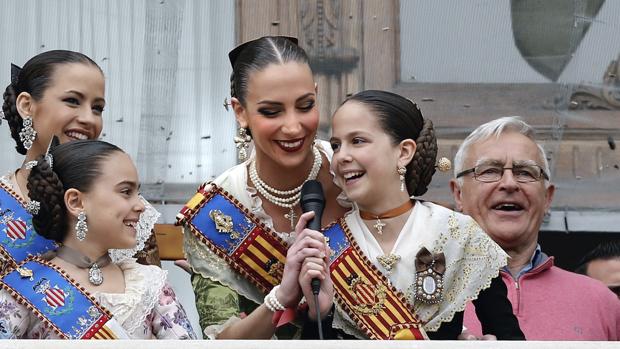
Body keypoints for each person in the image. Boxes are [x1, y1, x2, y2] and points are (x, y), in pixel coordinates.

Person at [299, 90, 524, 340]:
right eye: (336, 145)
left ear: (404, 152)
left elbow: (509, 336)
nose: (341, 156)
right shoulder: (325, 246)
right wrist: (318, 314)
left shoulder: (457, 233)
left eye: (358, 141)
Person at [177, 36, 348, 339]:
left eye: (305, 105)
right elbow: (222, 339)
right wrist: (282, 297)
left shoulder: (351, 172)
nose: (294, 127)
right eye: (272, 111)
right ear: (240, 112)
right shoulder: (217, 211)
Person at [0, 140, 196, 339]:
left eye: (138, 193)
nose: (141, 206)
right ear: (76, 202)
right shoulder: (28, 288)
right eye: (126, 192)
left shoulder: (150, 284)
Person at [450, 116, 620, 340]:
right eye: (489, 171)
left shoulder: (601, 301)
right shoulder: (421, 296)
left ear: (547, 198)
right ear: (458, 194)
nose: (509, 183)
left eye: (525, 172)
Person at [0, 50, 159, 272]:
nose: (88, 119)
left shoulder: (129, 209)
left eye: (97, 108)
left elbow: (150, 296)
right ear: (27, 106)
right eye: (72, 101)